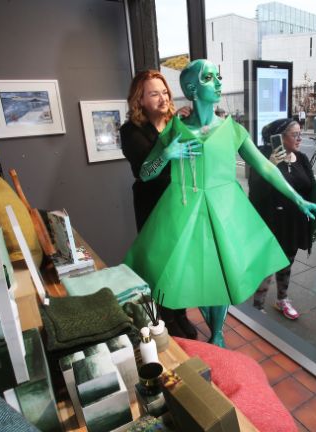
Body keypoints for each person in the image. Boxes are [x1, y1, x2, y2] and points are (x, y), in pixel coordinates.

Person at [124, 60, 316, 347]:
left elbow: (265, 167)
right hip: (183, 211)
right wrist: (166, 154)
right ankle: (207, 328)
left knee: (220, 272)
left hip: (224, 209)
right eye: (209, 77)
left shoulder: (232, 129)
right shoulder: (174, 129)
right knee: (192, 273)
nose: (219, 82)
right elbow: (145, 173)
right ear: (192, 89)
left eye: (218, 76)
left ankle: (217, 333)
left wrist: (299, 198)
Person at [120, 70, 197, 340]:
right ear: (139, 100)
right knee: (161, 264)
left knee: (181, 261)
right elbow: (145, 173)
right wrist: (166, 154)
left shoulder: (174, 122)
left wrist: (184, 122)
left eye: (165, 92)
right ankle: (166, 317)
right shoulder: (131, 131)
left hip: (178, 202)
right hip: (152, 204)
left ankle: (181, 311)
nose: (163, 98)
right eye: (154, 94)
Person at [248, 118, 316, 319]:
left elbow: (311, 187)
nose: (300, 138)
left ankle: (282, 299)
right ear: (279, 138)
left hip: (294, 222)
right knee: (267, 266)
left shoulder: (302, 158)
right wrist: (270, 164)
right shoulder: (264, 157)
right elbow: (255, 191)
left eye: (300, 134)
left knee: (287, 263)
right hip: (271, 222)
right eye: (295, 134)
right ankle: (257, 306)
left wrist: (314, 218)